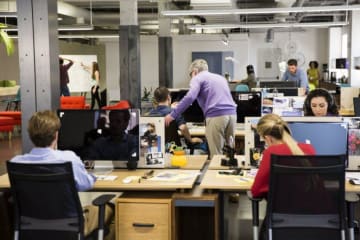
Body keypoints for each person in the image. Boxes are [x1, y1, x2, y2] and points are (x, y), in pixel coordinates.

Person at [9, 110, 113, 236]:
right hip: (69, 227)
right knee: (109, 209)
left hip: (30, 227)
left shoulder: (16, 163)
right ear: (56, 135)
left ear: (30, 136)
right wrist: (93, 176)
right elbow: (86, 184)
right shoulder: (68, 159)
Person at [164, 59, 237, 159]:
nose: (191, 78)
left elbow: (190, 97)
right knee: (230, 152)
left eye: (191, 75)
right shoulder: (221, 78)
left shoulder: (197, 78)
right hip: (232, 115)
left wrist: (173, 114)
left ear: (194, 71)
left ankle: (214, 174)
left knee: (216, 155)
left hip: (216, 115)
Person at [251, 113, 316, 198]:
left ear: (268, 138)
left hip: (282, 209)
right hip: (313, 207)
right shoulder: (309, 148)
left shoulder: (271, 152)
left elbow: (256, 190)